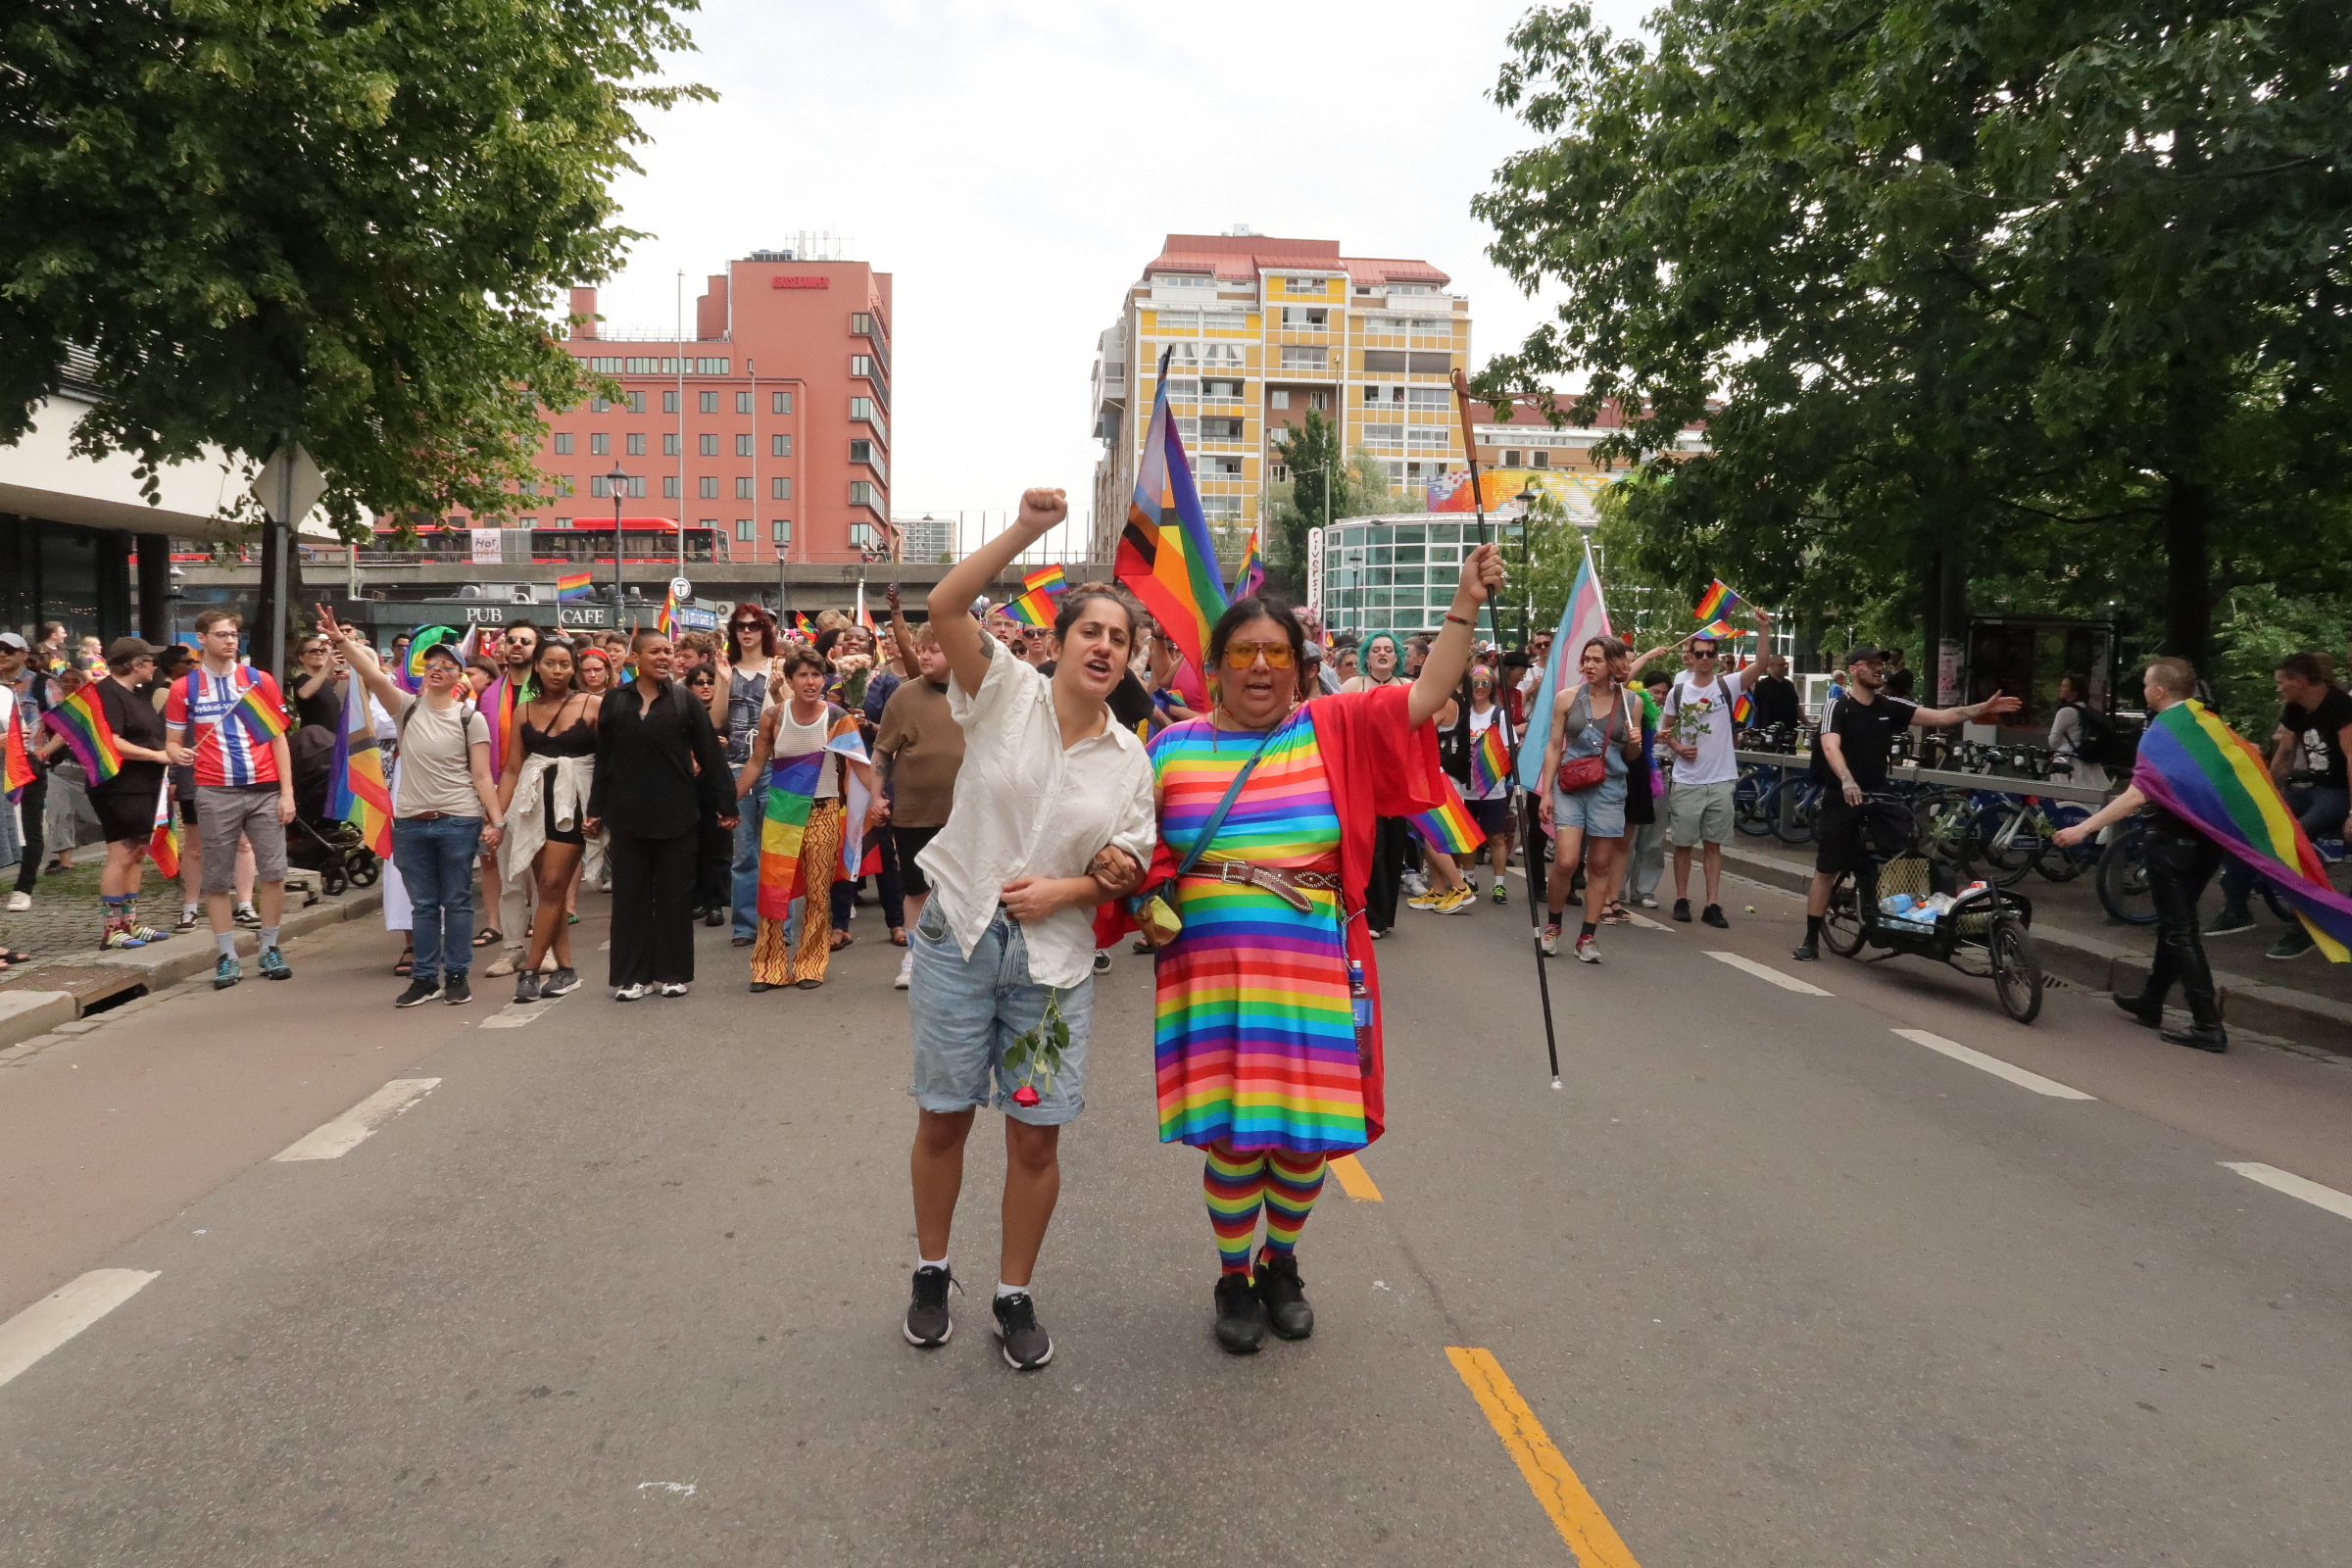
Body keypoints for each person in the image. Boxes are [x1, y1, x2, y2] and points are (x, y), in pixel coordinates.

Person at [1154, 544, 1506, 1354]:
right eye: (1243, 652)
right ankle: (1233, 1277)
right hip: (1211, 979)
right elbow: (1130, 845)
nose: (1260, 666)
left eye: (1277, 652)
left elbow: (1424, 695)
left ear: (1301, 669)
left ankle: (1282, 1263)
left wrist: (1463, 601)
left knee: (1305, 1135)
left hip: (1315, 973)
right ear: (1214, 668)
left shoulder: (1332, 728)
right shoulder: (1170, 750)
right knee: (1238, 1138)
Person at [900, 490, 1154, 1372]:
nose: (1105, 648)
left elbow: (1128, 860)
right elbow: (942, 609)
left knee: (1035, 1135)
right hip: (958, 939)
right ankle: (932, 1273)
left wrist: (1074, 887)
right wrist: (1027, 533)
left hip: (1052, 963)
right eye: (1092, 632)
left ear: (1130, 662)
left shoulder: (1131, 761)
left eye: (1120, 640)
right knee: (942, 1119)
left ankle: (1013, 1292)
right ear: (1057, 640)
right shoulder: (1002, 691)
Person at [326, 611, 506, 1006]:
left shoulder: (469, 719)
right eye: (431, 664)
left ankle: (457, 974)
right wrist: (341, 642)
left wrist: (497, 821)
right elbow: (371, 675)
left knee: (456, 901)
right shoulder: (406, 708)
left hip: (458, 821)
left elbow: (480, 776)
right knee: (422, 905)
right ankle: (426, 978)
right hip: (410, 823)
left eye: (447, 665)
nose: (437, 670)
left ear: (459, 676)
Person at [1794, 647, 2019, 960]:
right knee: (1827, 869)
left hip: (1879, 791)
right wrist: (1847, 779)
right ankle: (1810, 938)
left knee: (1906, 846)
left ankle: (1897, 915)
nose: (1879, 670)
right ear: (1855, 669)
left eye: (1881, 665)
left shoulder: (1890, 705)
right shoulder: (1838, 705)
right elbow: (1830, 746)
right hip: (1842, 793)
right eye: (1872, 665)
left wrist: (1983, 707)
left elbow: (1942, 717)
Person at [2053, 660, 2233, 1051]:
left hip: (2171, 840)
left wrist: (2082, 828)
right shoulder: (2209, 725)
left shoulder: (2161, 733)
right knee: (2173, 925)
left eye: (2147, 683)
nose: (2143, 689)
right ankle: (2152, 1001)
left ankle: (2207, 1023)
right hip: (2208, 842)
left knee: (2181, 928)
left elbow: (2138, 795)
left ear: (2159, 692)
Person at [584, 630, 737, 1000]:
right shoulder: (614, 702)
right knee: (630, 897)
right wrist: (595, 809)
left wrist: (726, 806)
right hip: (627, 815)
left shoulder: (684, 701)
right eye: (655, 651)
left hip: (678, 814)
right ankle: (632, 976)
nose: (665, 657)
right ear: (635, 658)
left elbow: (711, 757)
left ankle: (672, 973)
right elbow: (604, 759)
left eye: (669, 651)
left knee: (674, 895)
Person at [165, 609, 297, 989]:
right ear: (201, 639)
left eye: (235, 634)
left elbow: (278, 739)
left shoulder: (259, 681)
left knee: (274, 871)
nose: (230, 641)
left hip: (265, 789)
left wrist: (287, 793)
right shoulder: (183, 689)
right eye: (222, 634)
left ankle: (270, 947)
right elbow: (172, 744)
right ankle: (226, 956)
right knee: (216, 879)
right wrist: (177, 754)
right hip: (214, 790)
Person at [737, 649, 877, 989]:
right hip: (781, 813)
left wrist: (881, 798)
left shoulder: (836, 717)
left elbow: (860, 764)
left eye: (817, 675)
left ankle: (810, 965)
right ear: (790, 680)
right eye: (803, 675)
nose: (811, 682)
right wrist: (728, 801)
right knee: (773, 890)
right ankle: (768, 968)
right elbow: (756, 763)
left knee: (817, 892)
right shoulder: (773, 716)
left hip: (824, 812)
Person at [2206, 653, 2352, 957]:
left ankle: (2308, 927)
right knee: (2243, 825)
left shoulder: (2342, 708)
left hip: (2337, 793)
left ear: (2300, 681)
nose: (2278, 688)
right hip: (2309, 787)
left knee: (2293, 839)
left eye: (2281, 682)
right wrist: (2263, 794)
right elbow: (2284, 754)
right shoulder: (2296, 708)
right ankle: (2236, 909)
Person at [497, 639, 596, 1002]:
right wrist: (495, 818)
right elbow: (511, 768)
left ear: (574, 669)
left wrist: (599, 811)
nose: (558, 671)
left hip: (574, 806)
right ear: (537, 666)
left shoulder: (591, 704)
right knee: (547, 891)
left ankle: (530, 970)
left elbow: (609, 763)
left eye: (565, 665)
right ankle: (566, 970)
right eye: (551, 663)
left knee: (553, 884)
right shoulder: (523, 710)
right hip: (532, 805)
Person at [1660, 612, 1772, 928]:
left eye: (1711, 653)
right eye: (1700, 653)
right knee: (1683, 844)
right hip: (1687, 779)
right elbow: (1666, 730)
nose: (1706, 658)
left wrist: (1762, 629)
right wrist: (1679, 748)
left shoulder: (1729, 685)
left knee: (1713, 844)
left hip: (1721, 779)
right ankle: (1682, 899)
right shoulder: (1678, 692)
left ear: (1716, 657)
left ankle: (1712, 903)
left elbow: (1762, 665)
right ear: (1690, 657)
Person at [1538, 636, 1645, 960]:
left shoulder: (1631, 702)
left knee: (1600, 865)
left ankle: (1587, 937)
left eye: (1597, 660)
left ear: (1613, 664)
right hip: (1570, 786)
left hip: (1609, 788)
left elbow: (1631, 755)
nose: (1589, 665)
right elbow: (1555, 745)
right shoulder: (1566, 698)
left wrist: (1635, 741)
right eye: (1586, 659)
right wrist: (1546, 792)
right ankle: (1553, 926)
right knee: (1567, 860)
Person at [873, 619, 965, 991]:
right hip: (913, 813)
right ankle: (914, 957)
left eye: (934, 650)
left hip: (965, 814)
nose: (924, 656)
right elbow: (883, 749)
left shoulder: (975, 693)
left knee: (962, 889)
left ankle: (959, 959)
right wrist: (878, 795)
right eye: (921, 649)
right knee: (915, 889)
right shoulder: (904, 696)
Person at [80, 639, 174, 949]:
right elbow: (112, 741)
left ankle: (129, 922)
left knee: (136, 852)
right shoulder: (108, 692)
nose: (155, 665)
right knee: (121, 853)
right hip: (119, 785)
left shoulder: (135, 694)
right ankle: (111, 929)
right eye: (150, 660)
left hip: (143, 784)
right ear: (135, 664)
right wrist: (156, 756)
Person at [478, 622, 541, 978]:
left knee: (547, 878)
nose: (517, 645)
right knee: (509, 877)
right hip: (502, 793)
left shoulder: (549, 690)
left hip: (544, 791)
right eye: (511, 640)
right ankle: (512, 950)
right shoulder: (489, 695)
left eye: (525, 641)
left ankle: (546, 948)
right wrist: (489, 806)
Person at [1340, 630, 1413, 935]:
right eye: (1376, 649)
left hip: (1396, 777)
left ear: (1397, 657)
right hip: (1362, 775)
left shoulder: (1408, 687)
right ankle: (1366, 915)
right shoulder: (1351, 686)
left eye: (1388, 649)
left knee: (1395, 845)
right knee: (1371, 845)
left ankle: (1384, 916)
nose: (1382, 654)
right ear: (1366, 656)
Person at [682, 662, 736, 929]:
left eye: (710, 681)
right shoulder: (683, 709)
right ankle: (697, 899)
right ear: (690, 686)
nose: (705, 687)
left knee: (717, 845)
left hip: (717, 784)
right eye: (699, 682)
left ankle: (716, 903)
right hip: (689, 784)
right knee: (692, 845)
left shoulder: (727, 709)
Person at [1458, 664, 1516, 903]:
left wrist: (1488, 761)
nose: (1480, 688)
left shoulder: (1499, 714)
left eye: (1485, 683)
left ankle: (1499, 884)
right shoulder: (1462, 713)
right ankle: (1469, 879)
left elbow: (1508, 748)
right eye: (1475, 683)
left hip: (1493, 788)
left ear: (1492, 687)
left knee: (1496, 837)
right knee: (1469, 837)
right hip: (1466, 787)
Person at [1, 631, 49, 913]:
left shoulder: (41, 684)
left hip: (28, 763)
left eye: (8, 649)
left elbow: (64, 725)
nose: (2, 654)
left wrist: (43, 752)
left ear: (23, 653)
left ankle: (23, 887)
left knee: (30, 827)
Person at [1626, 671, 1673, 908]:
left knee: (1654, 838)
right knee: (1629, 836)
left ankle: (1643, 890)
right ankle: (1616, 888)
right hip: (1639, 772)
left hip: (1662, 773)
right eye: (1656, 691)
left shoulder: (1673, 712)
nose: (1660, 697)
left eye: (1665, 693)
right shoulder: (1635, 706)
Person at [1746, 651, 1802, 736]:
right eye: (1781, 665)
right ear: (1771, 665)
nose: (1784, 667)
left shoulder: (1789, 685)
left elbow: (1797, 706)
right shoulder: (1762, 685)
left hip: (1789, 730)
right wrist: (1751, 727)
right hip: (1768, 732)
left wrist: (1807, 723)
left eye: (1785, 664)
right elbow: (1754, 707)